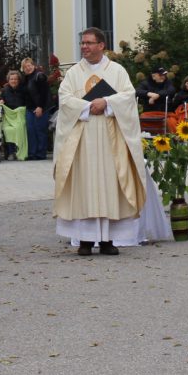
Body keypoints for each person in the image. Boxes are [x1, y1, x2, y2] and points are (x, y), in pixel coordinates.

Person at [53, 27, 147, 256]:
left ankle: (107, 240)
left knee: (108, 186)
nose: (84, 47)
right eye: (82, 43)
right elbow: (64, 100)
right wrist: (87, 106)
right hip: (82, 140)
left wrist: (107, 102)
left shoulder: (116, 71)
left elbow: (128, 97)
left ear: (101, 45)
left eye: (89, 43)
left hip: (109, 141)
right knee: (84, 187)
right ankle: (84, 240)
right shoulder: (74, 73)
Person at [21, 57, 49, 160]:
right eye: (25, 67)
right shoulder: (26, 78)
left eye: (29, 65)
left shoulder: (39, 76)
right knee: (31, 131)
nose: (27, 68)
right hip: (30, 108)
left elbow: (44, 94)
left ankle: (41, 154)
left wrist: (40, 107)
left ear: (34, 65)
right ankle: (32, 154)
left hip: (40, 108)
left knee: (40, 130)